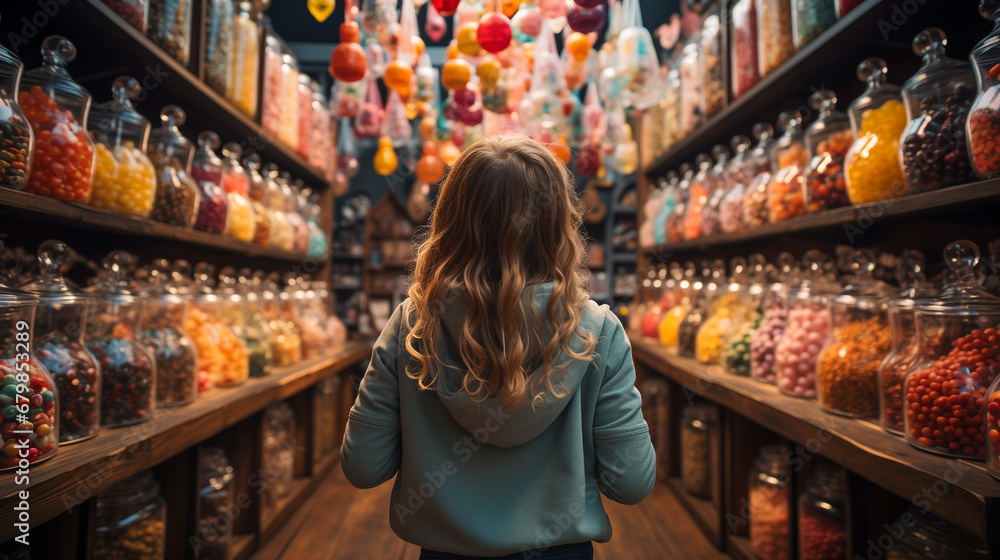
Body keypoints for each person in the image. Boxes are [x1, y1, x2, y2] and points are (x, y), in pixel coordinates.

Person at [341, 135, 656, 560]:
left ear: (448, 220)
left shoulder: (411, 326)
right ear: (558, 224)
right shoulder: (599, 332)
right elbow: (632, 482)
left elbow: (363, 467)